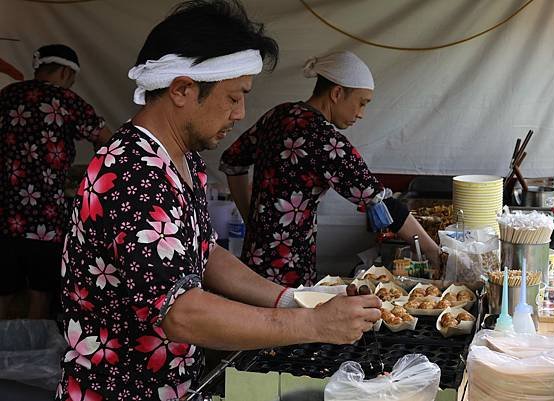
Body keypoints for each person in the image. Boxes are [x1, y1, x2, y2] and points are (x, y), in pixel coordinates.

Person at [57, 2, 381, 400]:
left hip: (173, 386)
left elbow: (205, 252)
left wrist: (291, 299)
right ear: (181, 89)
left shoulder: (181, 158)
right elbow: (182, 312)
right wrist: (312, 324)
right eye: (233, 97)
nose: (241, 113)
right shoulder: (131, 172)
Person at [219, 51, 440, 287]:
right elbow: (382, 204)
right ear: (336, 93)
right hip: (287, 268)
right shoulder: (323, 139)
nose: (361, 114)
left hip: (254, 258)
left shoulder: (280, 114)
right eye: (361, 103)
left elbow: (233, 161)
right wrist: (435, 253)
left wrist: (251, 218)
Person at [0, 44, 111, 319]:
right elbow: (107, 140)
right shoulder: (66, 100)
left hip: (3, 215)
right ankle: (33, 357)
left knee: (3, 292)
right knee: (41, 292)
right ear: (64, 72)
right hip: (45, 220)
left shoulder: (6, 95)